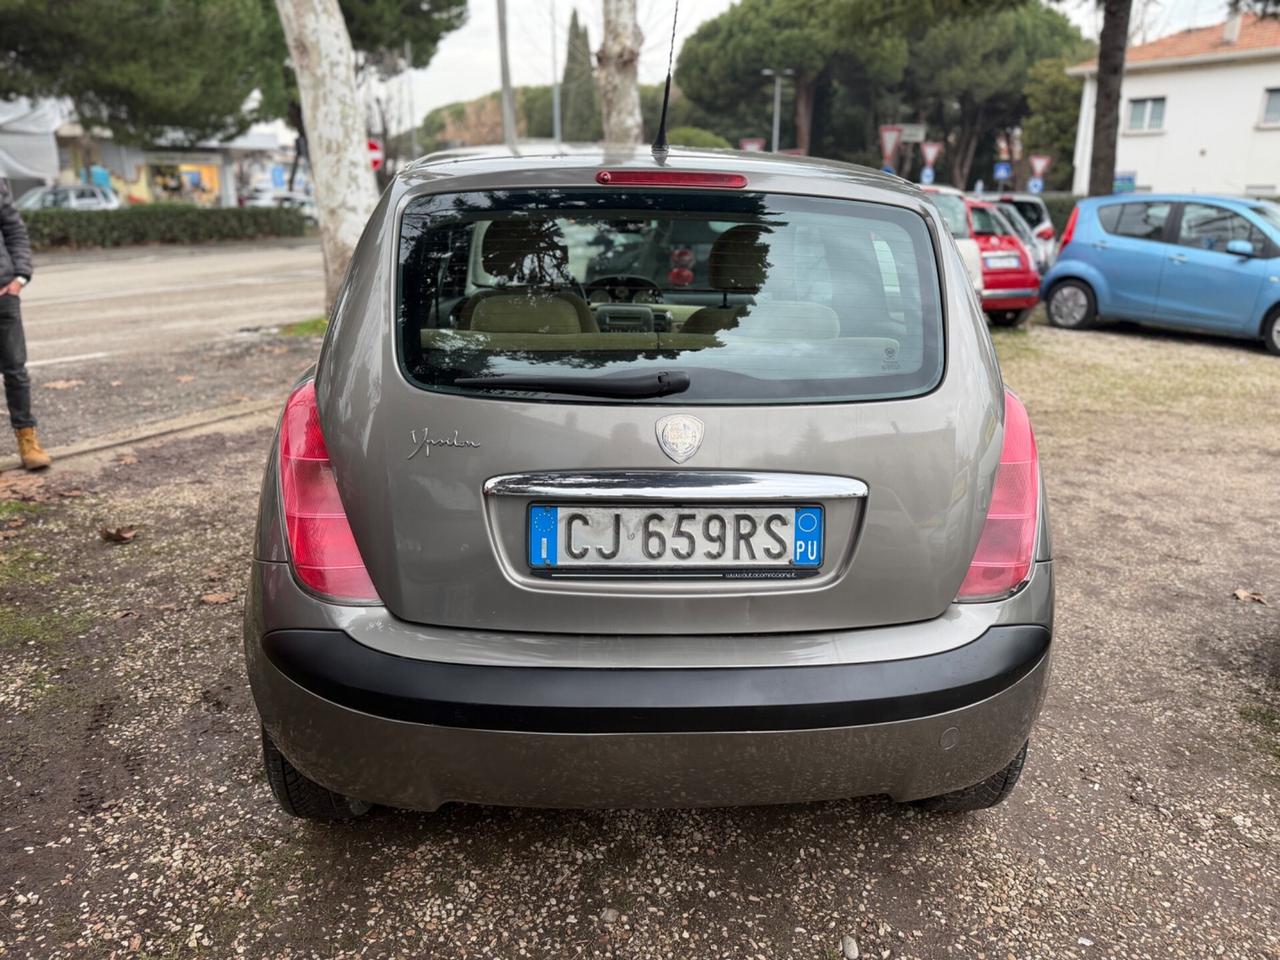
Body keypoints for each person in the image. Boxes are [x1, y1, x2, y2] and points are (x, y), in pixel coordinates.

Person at [1, 179, 50, 470]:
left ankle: (27, 439)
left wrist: (19, 277)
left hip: (3, 294)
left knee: (15, 372)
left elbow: (14, 230)